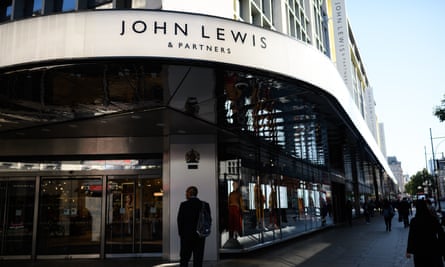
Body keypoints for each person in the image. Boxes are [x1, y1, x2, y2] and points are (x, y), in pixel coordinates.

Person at [177, 186, 211, 267]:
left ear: (189, 193)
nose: (185, 194)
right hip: (200, 235)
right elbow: (209, 220)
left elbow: (180, 220)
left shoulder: (184, 205)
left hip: (186, 236)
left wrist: (181, 234)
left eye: (186, 192)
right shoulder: (205, 205)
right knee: (198, 259)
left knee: (184, 258)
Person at [406, 199, 444, 267]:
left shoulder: (414, 221)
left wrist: (409, 251)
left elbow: (411, 236)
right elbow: (441, 233)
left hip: (419, 251)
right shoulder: (433, 219)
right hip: (433, 248)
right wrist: (441, 248)